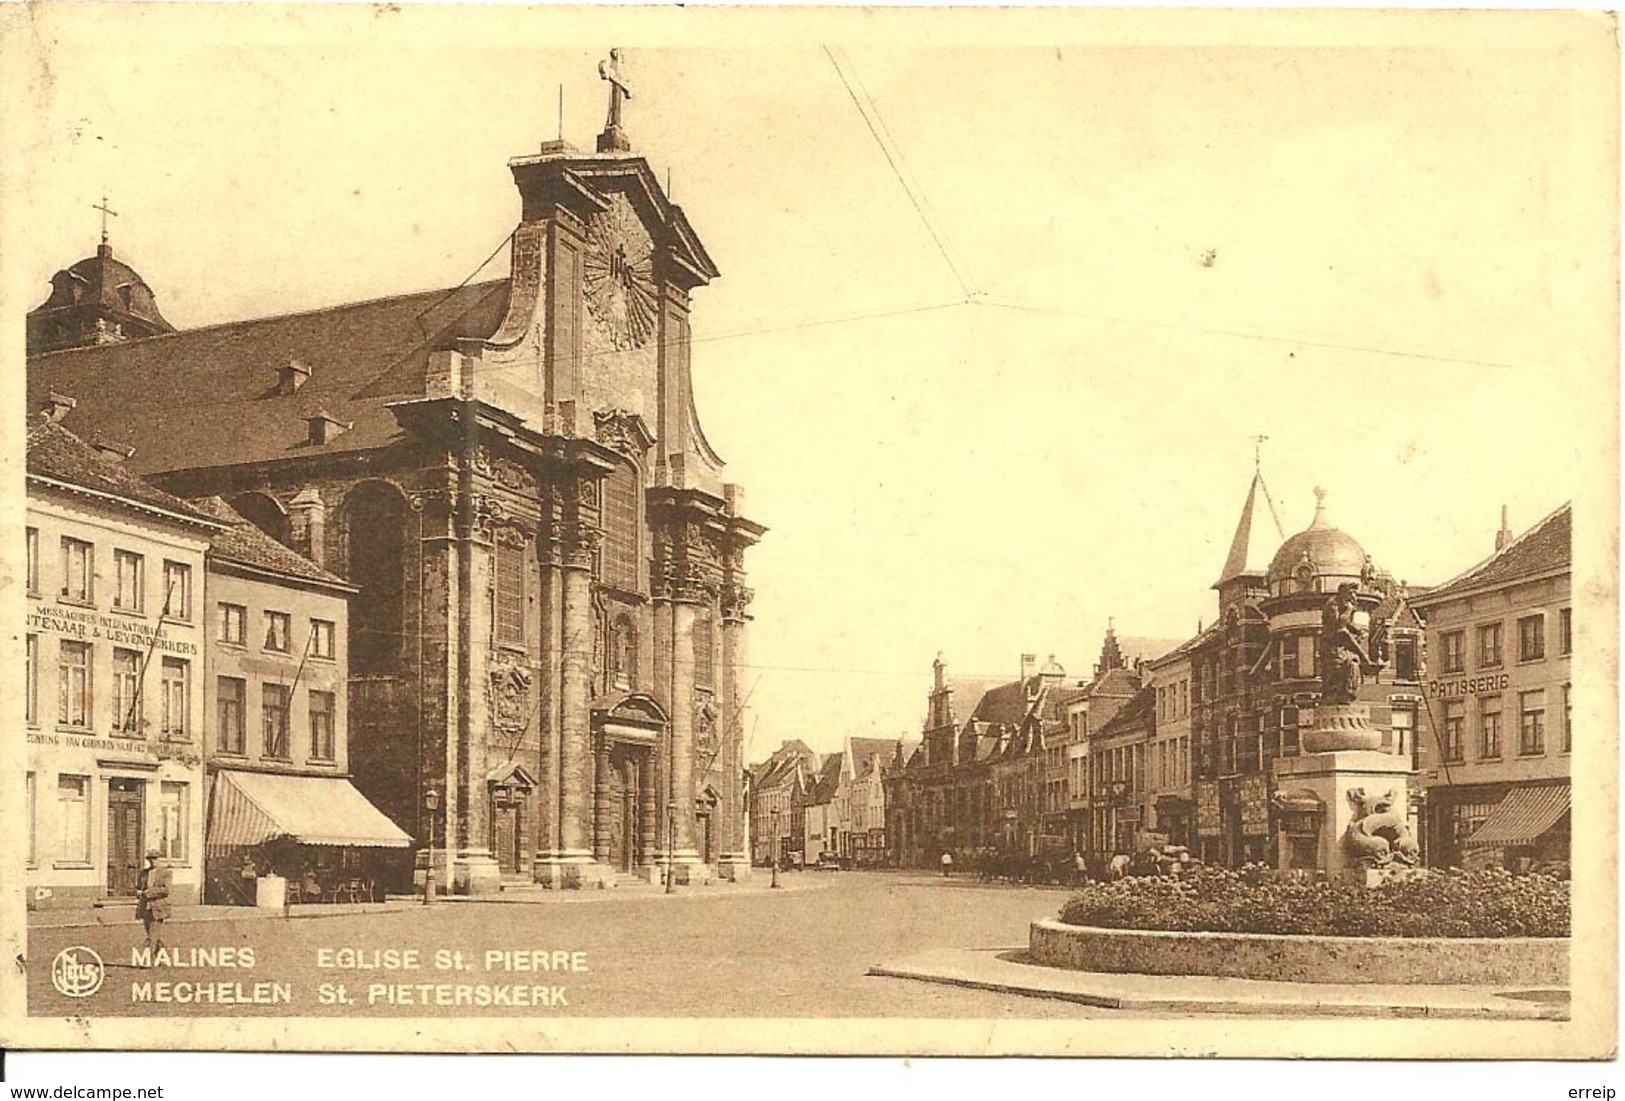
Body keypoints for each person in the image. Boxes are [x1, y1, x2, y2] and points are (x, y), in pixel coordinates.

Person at [135, 849, 172, 954]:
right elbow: (138, 887)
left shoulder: (166, 873)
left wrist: (148, 892)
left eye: (155, 859)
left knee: (152, 935)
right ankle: (163, 956)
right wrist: (137, 892)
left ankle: (147, 960)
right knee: (152, 935)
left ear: (160, 859)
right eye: (150, 859)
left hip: (159, 907)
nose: (152, 861)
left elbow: (166, 890)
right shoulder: (143, 873)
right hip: (145, 907)